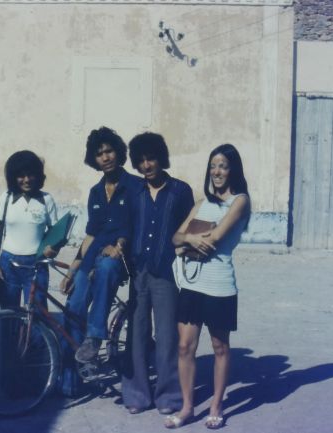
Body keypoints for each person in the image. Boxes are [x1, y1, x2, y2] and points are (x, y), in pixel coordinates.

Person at [164, 143, 250, 429]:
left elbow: (215, 238)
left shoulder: (239, 201)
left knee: (220, 347)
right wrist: (188, 241)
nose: (217, 171)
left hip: (219, 283)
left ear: (232, 170)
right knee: (186, 346)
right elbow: (176, 238)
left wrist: (189, 241)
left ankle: (216, 405)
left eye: (223, 166)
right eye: (213, 165)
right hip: (192, 283)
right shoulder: (202, 204)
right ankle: (188, 407)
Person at [58, 126, 140, 396]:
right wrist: (73, 269)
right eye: (100, 153)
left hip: (121, 257)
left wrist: (119, 246)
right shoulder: (95, 192)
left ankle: (95, 336)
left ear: (119, 152)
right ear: (94, 159)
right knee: (75, 305)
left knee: (106, 268)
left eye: (109, 150)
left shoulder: (135, 186)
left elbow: (136, 224)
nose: (106, 157)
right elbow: (90, 235)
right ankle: (73, 375)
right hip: (94, 255)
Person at [121, 132, 194, 416]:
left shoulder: (180, 190)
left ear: (161, 158)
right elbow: (126, 226)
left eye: (151, 158)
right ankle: (137, 394)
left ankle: (169, 396)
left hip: (166, 272)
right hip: (138, 271)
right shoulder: (134, 191)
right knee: (136, 334)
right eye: (140, 161)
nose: (146, 165)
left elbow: (190, 228)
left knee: (167, 336)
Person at [0, 150, 58, 309]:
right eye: (21, 175)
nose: (26, 180)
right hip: (8, 264)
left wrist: (52, 249)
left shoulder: (46, 200)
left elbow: (55, 234)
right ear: (13, 177)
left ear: (38, 175)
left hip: (37, 264)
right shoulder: (6, 198)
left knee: (37, 315)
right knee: (8, 314)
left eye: (31, 175)